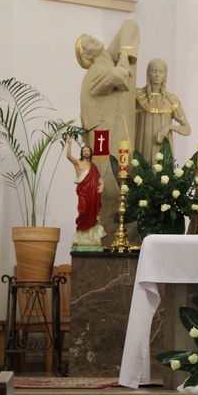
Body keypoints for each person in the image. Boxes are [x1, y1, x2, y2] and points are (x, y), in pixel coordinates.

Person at [76, 19, 139, 245]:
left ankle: (125, 233)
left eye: (91, 37)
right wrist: (125, 55)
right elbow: (122, 75)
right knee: (112, 184)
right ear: (87, 57)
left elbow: (128, 26)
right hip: (107, 139)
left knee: (124, 179)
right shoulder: (97, 72)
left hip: (116, 131)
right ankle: (110, 235)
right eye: (87, 43)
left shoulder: (104, 63)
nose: (94, 39)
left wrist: (122, 52)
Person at [135, 58, 191, 160]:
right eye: (154, 71)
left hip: (164, 150)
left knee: (163, 172)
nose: (157, 75)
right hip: (142, 148)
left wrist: (168, 127)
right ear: (148, 73)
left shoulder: (171, 100)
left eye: (161, 72)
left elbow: (187, 129)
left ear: (165, 74)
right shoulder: (138, 96)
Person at [66, 136, 106, 249]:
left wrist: (102, 185)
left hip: (93, 192)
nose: (86, 152)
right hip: (83, 191)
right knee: (82, 210)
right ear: (82, 153)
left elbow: (99, 179)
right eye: (84, 151)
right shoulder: (78, 163)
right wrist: (69, 144)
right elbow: (68, 156)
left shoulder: (93, 167)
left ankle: (90, 231)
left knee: (92, 211)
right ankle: (79, 229)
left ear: (90, 153)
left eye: (88, 151)